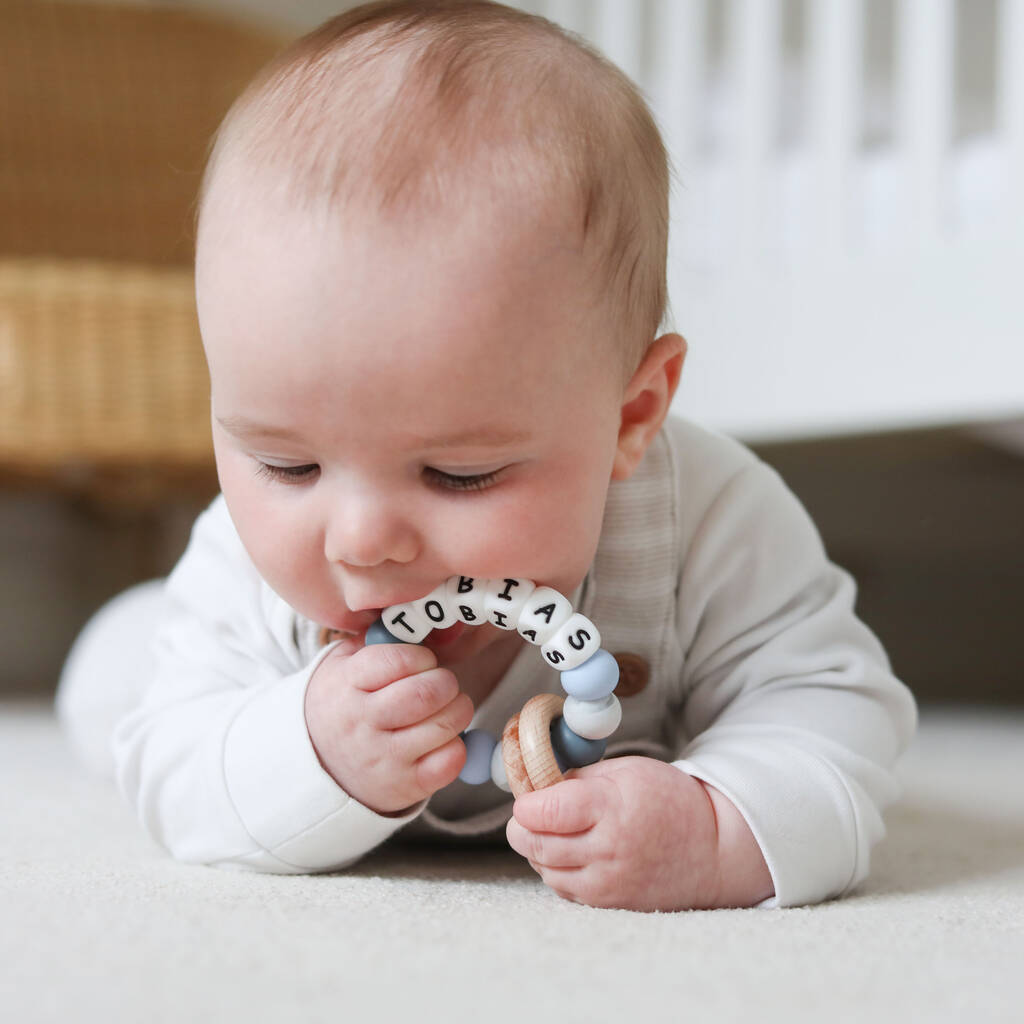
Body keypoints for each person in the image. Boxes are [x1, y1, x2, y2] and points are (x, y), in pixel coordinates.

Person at [56, 0, 917, 911]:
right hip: (194, 661)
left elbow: (837, 709)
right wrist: (309, 745)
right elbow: (175, 783)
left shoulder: (709, 524)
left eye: (456, 475)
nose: (360, 541)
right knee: (117, 687)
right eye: (287, 465)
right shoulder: (242, 567)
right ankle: (131, 633)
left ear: (633, 413)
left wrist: (719, 819)